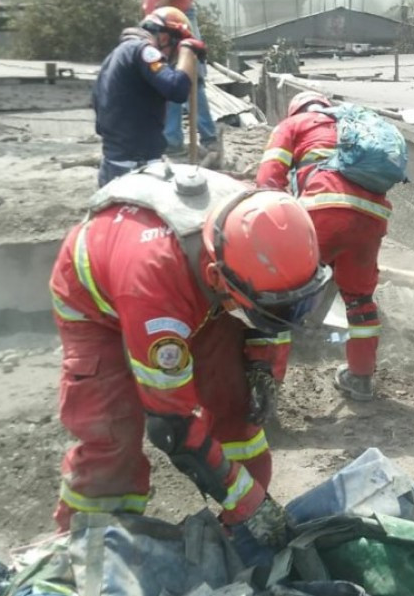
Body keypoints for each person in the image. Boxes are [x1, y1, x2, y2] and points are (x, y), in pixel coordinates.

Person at [48, 162, 331, 565]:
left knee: (237, 404)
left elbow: (278, 307)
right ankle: (83, 559)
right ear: (219, 277)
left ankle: (236, 540)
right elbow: (173, 424)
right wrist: (249, 500)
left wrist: (264, 366)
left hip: (200, 290)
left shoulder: (258, 228)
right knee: (111, 438)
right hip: (99, 307)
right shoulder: (155, 293)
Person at [256, 91, 391, 401]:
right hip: (371, 219)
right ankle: (361, 379)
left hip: (322, 212)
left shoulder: (293, 125)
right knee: (359, 300)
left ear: (295, 111)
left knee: (280, 297)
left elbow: (267, 181)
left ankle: (269, 382)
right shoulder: (351, 125)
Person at [93, 7, 207, 187]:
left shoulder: (115, 56)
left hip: (113, 163)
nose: (169, 58)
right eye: (174, 50)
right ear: (164, 38)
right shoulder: (144, 51)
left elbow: (99, 119)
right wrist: (187, 50)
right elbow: (177, 90)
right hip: (135, 167)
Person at [134, 0, 220, 157]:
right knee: (164, 79)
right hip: (155, 24)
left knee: (191, 79)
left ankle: (209, 139)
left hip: (178, 19)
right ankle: (172, 140)